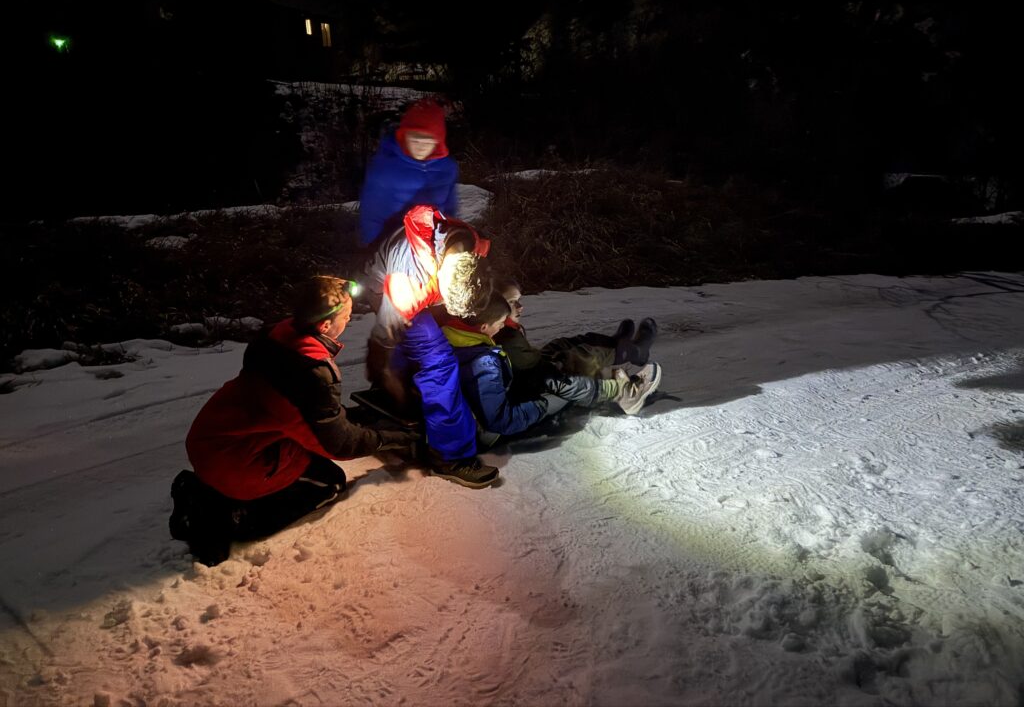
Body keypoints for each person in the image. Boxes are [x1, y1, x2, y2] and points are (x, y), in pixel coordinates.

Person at [169, 276, 418, 566]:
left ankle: (209, 491)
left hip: (211, 440)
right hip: (236, 464)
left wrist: (351, 418)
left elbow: (310, 416)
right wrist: (393, 437)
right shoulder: (311, 372)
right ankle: (232, 517)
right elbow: (339, 444)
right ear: (325, 326)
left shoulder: (276, 335)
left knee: (310, 449)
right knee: (328, 483)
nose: (349, 320)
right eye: (346, 316)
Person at [361, 204, 498, 488]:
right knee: (439, 362)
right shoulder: (408, 287)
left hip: (418, 272)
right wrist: (381, 367)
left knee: (426, 336)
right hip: (382, 284)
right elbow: (385, 332)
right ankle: (450, 457)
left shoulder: (470, 246)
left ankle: (406, 381)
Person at [441, 291, 663, 443]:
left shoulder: (456, 336)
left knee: (559, 350)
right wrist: (539, 406)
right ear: (484, 325)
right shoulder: (485, 361)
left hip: (508, 392)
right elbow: (501, 420)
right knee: (564, 377)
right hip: (497, 426)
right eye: (500, 322)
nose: (519, 308)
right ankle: (623, 392)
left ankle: (617, 347)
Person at [493, 279, 659, 385]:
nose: (520, 307)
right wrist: (558, 362)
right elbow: (527, 371)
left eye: (519, 300)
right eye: (512, 302)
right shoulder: (505, 336)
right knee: (580, 356)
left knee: (561, 343)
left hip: (532, 368)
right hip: (538, 381)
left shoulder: (506, 329)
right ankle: (633, 351)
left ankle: (615, 343)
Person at [358, 98, 459, 247]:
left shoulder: (447, 168)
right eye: (415, 140)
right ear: (405, 137)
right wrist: (374, 246)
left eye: (427, 141)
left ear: (438, 142)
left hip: (433, 240)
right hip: (394, 241)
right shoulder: (386, 167)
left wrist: (450, 235)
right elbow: (372, 213)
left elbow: (450, 208)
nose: (421, 147)